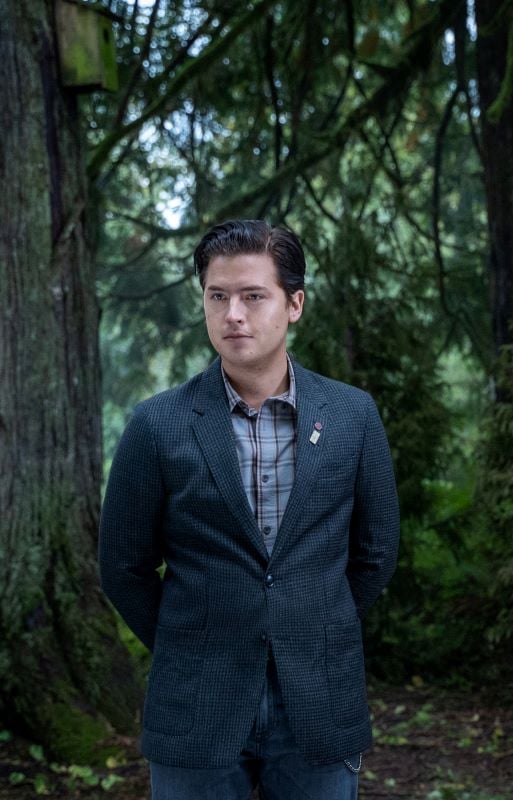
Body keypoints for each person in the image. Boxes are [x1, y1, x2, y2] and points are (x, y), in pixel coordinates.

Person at [99, 219, 399, 799]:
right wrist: (192, 638)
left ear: (295, 304)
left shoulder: (352, 417)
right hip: (195, 705)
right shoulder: (155, 425)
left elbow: (376, 552)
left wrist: (310, 621)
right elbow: (123, 568)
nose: (233, 313)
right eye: (218, 296)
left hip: (318, 699)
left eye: (253, 296)